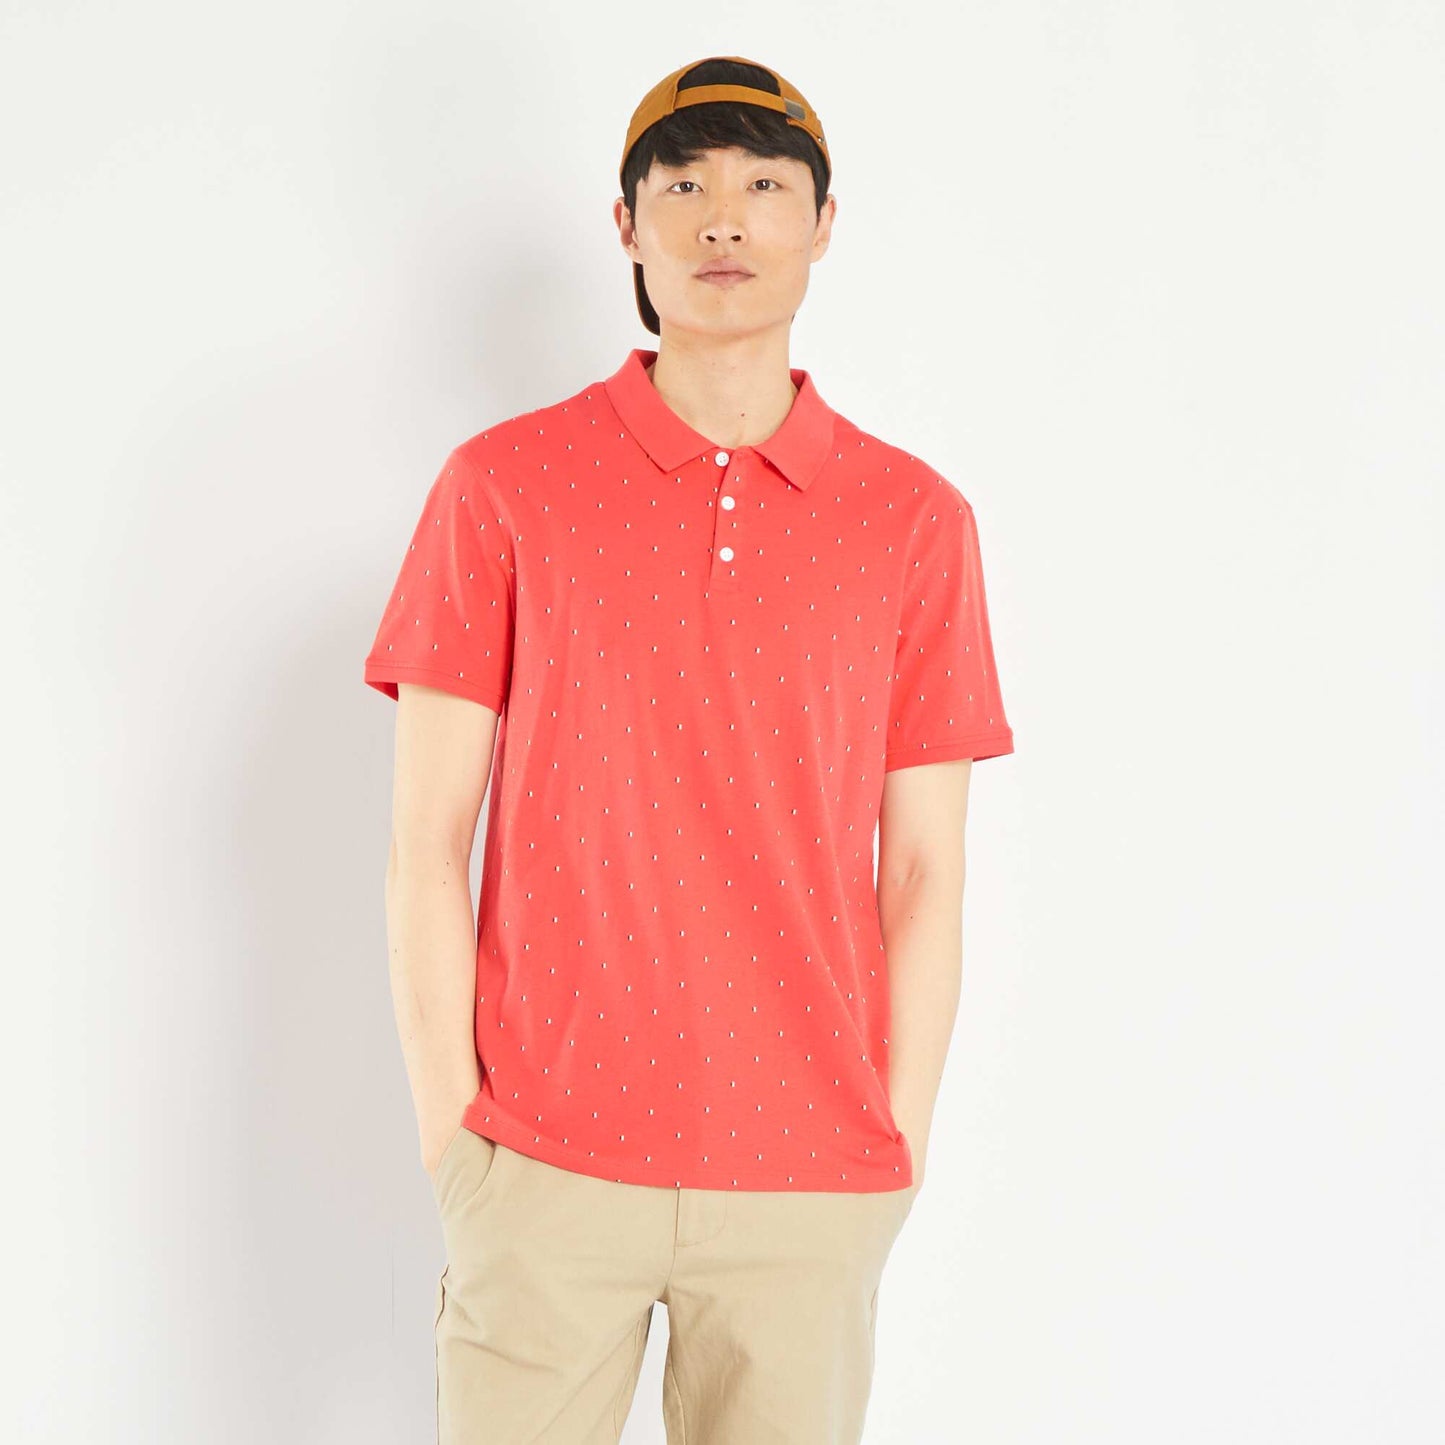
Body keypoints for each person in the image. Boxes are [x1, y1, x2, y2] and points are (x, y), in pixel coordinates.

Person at [363, 52, 1016, 1444]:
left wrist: (893, 1149)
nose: (725, 219)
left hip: (810, 1179)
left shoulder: (914, 523)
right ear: (627, 224)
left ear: (823, 224)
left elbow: (923, 874)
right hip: (542, 1163)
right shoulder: (502, 488)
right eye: (684, 185)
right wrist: (454, 1137)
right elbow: (425, 843)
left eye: (767, 185)